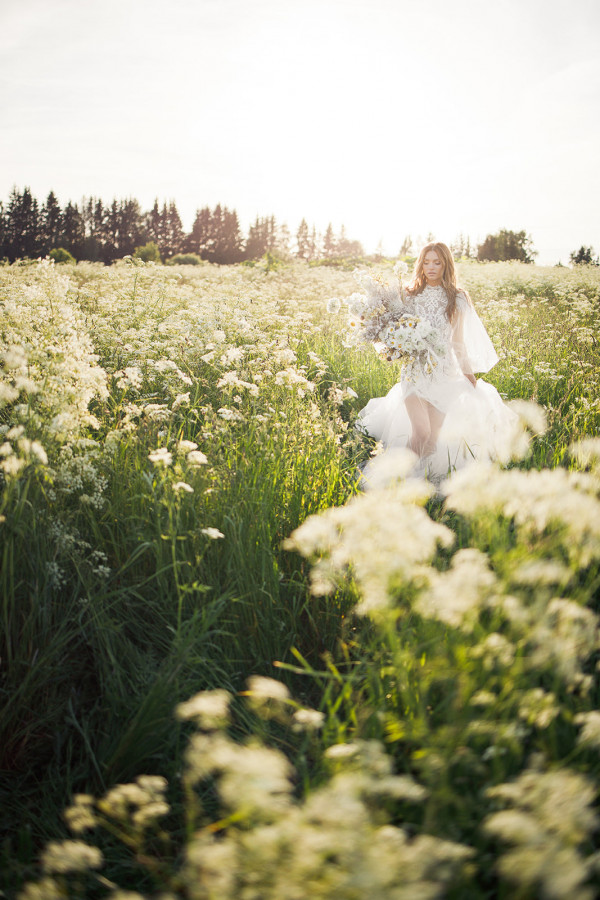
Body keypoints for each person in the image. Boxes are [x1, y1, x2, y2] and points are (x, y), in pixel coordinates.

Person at [356, 242, 516, 484]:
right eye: (427, 262)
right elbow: (388, 329)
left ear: (446, 265)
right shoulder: (408, 295)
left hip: (445, 374)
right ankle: (394, 480)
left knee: (432, 442)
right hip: (414, 373)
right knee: (422, 433)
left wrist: (468, 374)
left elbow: (458, 341)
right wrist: (393, 345)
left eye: (437, 262)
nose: (431, 267)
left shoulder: (458, 298)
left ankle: (419, 483)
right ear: (421, 264)